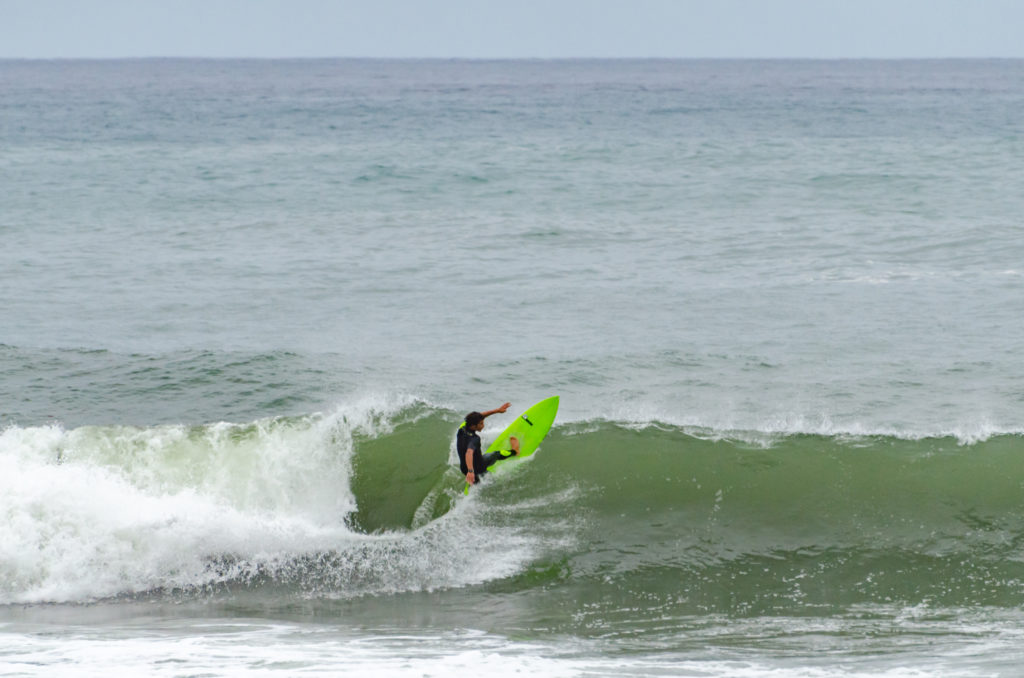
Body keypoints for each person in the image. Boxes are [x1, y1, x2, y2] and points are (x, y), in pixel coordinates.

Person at [457, 402, 520, 485]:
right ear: (473, 426)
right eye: (481, 424)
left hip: (464, 468)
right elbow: (469, 452)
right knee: (496, 454)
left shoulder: (462, 428)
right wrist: (471, 471)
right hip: (478, 467)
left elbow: (480, 416)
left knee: (477, 484)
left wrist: (497, 410)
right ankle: (515, 451)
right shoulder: (475, 438)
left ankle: (474, 481)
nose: (483, 425)